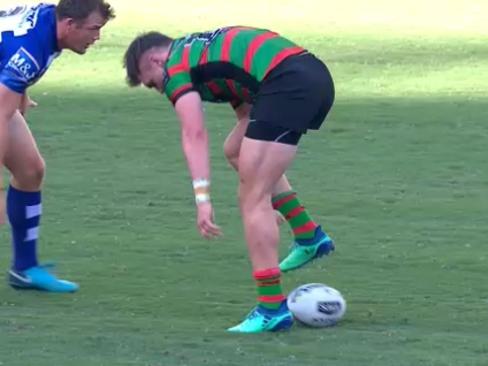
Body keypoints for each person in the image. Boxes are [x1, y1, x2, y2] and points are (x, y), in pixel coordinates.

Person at [123, 26, 335, 332]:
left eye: (153, 84)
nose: (161, 90)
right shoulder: (202, 58)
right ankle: (308, 235)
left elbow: (193, 133)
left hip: (288, 82)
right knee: (236, 151)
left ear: (156, 61)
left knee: (252, 199)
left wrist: (202, 198)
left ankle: (271, 308)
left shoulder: (176, 66)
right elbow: (248, 113)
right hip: (308, 74)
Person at [0, 1, 115, 293]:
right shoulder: (31, 50)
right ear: (68, 25)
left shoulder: (52, 20)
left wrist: (20, 92)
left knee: (30, 171)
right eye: (94, 29)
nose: (97, 37)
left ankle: (25, 269)